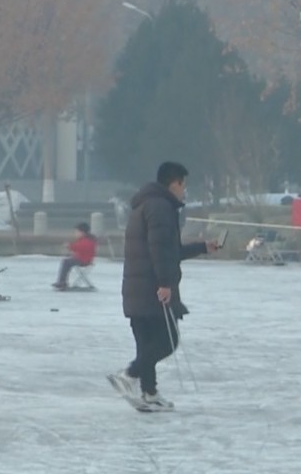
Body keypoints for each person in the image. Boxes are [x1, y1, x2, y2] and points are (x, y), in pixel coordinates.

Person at [110, 162, 220, 410]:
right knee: (166, 341)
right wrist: (164, 283)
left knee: (146, 342)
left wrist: (203, 247)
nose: (184, 192)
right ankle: (128, 375)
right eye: (184, 186)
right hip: (152, 290)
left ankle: (149, 393)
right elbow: (158, 250)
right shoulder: (161, 207)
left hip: (137, 290)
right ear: (174, 183)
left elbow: (172, 251)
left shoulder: (146, 205)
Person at [52, 223, 98, 290]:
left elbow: (80, 247)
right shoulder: (86, 240)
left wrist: (70, 246)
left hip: (84, 260)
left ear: (82, 232)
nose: (75, 234)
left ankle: (62, 282)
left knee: (66, 262)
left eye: (77, 232)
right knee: (67, 262)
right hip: (82, 259)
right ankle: (62, 281)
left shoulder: (87, 241)